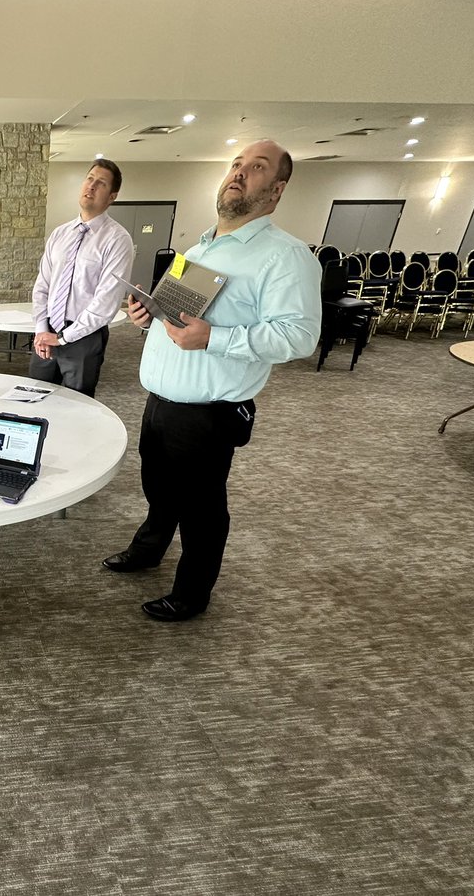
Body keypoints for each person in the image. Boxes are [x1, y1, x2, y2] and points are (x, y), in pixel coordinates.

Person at [102, 140, 322, 622]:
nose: (240, 173)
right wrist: (147, 317)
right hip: (161, 399)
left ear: (277, 189)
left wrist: (216, 338)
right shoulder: (200, 247)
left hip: (207, 412)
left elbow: (300, 336)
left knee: (202, 509)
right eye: (237, 164)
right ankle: (149, 549)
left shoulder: (284, 256)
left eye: (257, 168)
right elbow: (179, 320)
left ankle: (191, 593)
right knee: (159, 489)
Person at [29, 158, 134, 397]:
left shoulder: (117, 240)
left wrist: (64, 338)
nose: (92, 186)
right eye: (89, 179)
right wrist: (41, 329)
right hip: (47, 332)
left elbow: (106, 302)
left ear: (112, 196)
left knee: (78, 406)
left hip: (84, 337)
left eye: (101, 184)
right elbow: (42, 286)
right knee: (34, 398)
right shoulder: (60, 233)